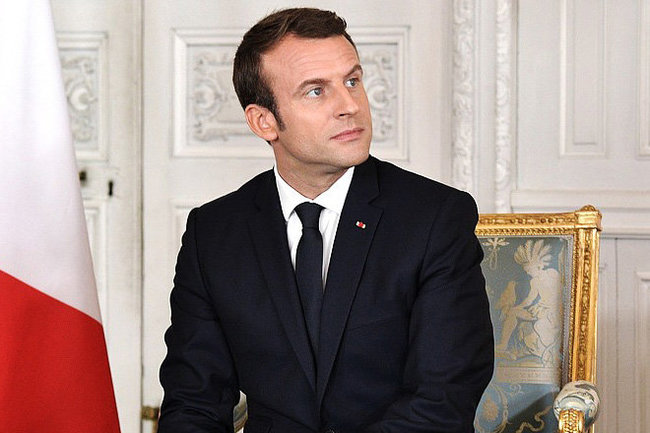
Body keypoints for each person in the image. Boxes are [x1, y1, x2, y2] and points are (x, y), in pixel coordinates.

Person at [158, 7, 494, 433]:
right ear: (264, 121)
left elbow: (441, 403)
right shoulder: (213, 234)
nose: (350, 106)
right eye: (316, 91)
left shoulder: (434, 218)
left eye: (352, 81)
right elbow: (192, 404)